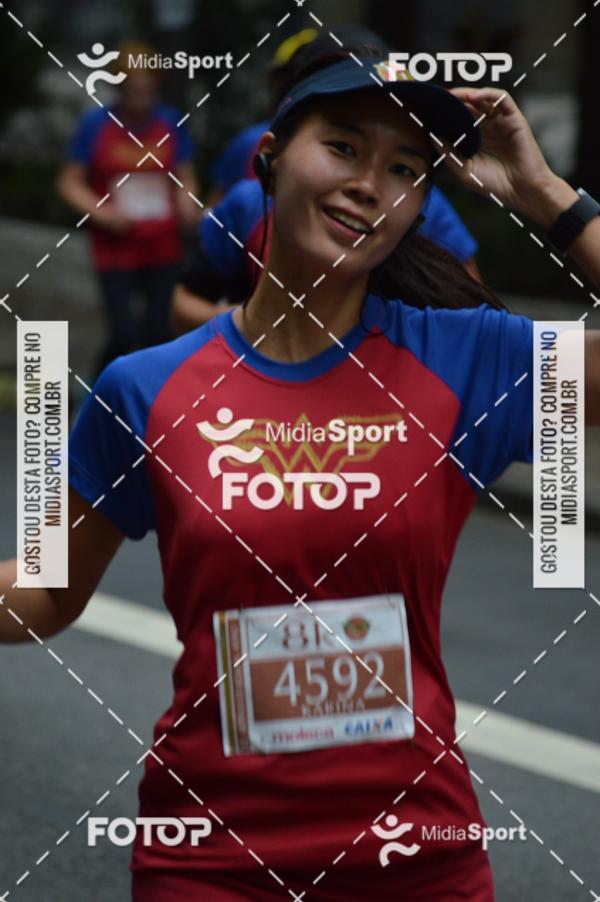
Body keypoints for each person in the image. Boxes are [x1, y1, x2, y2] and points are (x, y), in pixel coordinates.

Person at [3, 49, 599, 901]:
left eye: (405, 169)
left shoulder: (465, 362)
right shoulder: (145, 386)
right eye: (346, 148)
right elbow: (46, 592)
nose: (371, 185)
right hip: (207, 862)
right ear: (271, 155)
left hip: (417, 862)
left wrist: (546, 193)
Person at [57, 42, 199, 381]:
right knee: (123, 332)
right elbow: (69, 182)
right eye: (135, 92)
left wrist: (187, 204)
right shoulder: (96, 124)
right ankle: (96, 396)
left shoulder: (169, 122)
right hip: (115, 247)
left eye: (149, 91)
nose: (142, 100)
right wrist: (102, 213)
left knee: (160, 331)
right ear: (120, 87)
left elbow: (186, 177)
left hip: (162, 244)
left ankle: (148, 406)